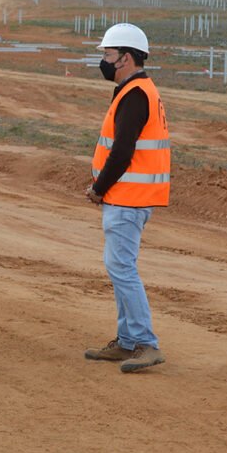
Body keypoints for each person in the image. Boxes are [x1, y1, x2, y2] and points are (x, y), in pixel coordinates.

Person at [82, 23, 171, 373]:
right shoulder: (136, 90)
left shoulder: (135, 95)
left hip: (128, 198)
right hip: (130, 197)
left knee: (122, 268)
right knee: (119, 267)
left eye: (108, 54)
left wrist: (99, 188)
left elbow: (122, 152)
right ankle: (127, 341)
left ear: (126, 57)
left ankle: (146, 343)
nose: (104, 61)